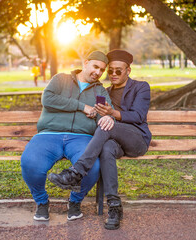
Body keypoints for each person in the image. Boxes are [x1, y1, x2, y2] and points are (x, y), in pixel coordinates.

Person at [48, 49, 151, 230]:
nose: (113, 74)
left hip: (136, 140)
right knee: (106, 148)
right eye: (109, 70)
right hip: (114, 142)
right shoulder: (103, 91)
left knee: (106, 126)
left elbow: (139, 116)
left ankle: (76, 172)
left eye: (118, 70)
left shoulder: (141, 87)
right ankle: (114, 206)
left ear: (128, 70)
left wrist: (112, 114)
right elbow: (97, 115)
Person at [21, 51, 115, 222]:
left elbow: (104, 114)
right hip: (49, 134)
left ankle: (75, 202)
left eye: (102, 70)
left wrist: (108, 116)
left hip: (81, 138)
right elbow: (48, 99)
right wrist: (82, 107)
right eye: (95, 67)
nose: (98, 72)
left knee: (92, 167)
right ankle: (42, 202)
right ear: (85, 63)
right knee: (30, 162)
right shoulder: (61, 79)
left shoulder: (99, 91)